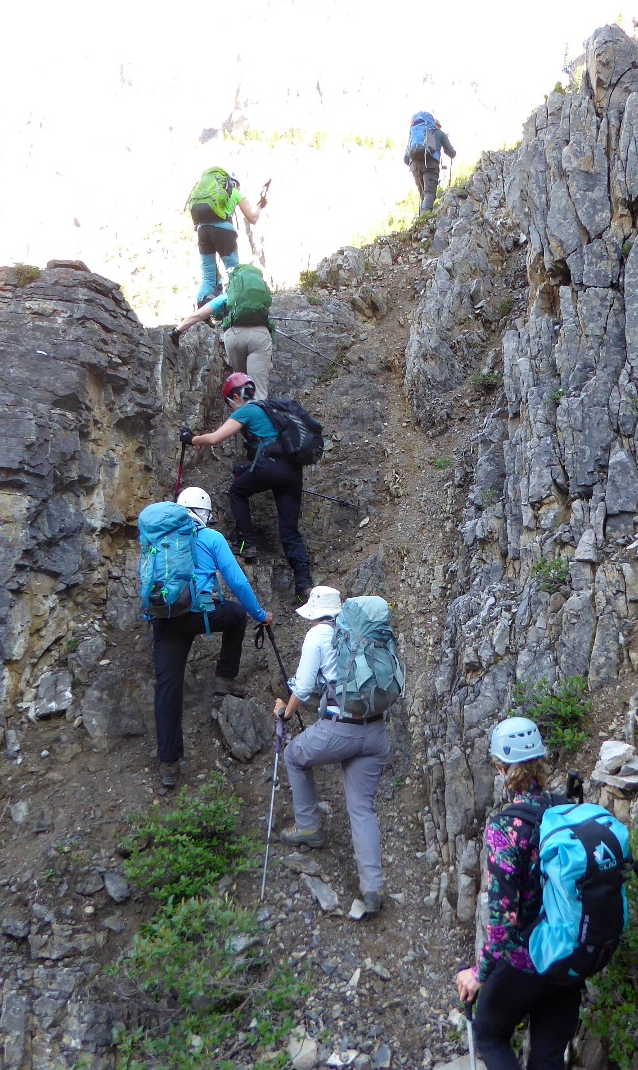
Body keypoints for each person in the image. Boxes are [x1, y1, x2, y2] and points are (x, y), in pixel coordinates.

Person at [455, 717, 583, 1070]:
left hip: (528, 960)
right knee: (547, 1057)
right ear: (541, 760)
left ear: (500, 768)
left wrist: (478, 974)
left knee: (488, 1034)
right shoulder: (566, 810)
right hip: (570, 956)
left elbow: (502, 923)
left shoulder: (506, 828)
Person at [271, 585, 388, 916]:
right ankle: (373, 889)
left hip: (340, 728)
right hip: (375, 731)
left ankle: (308, 826)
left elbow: (304, 686)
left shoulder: (318, 635)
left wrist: (285, 711)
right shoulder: (362, 634)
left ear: (315, 613)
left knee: (294, 756)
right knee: (362, 808)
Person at [149, 486, 273, 791]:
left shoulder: (160, 538)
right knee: (237, 615)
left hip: (165, 618)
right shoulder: (211, 538)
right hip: (200, 612)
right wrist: (260, 614)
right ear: (204, 513)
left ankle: (169, 764)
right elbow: (237, 582)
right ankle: (225, 677)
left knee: (167, 689)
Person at [184, 373, 312, 599]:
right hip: (292, 470)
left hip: (270, 465)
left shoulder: (247, 410)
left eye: (229, 403)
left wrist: (192, 438)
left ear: (236, 396)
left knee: (237, 492)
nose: (230, 408)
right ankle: (304, 586)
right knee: (290, 531)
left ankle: (246, 543)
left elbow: (214, 439)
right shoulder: (269, 410)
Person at [172, 265, 274, 401]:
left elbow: (198, 315)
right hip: (259, 335)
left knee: (242, 381)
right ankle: (258, 408)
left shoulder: (228, 296)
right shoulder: (260, 296)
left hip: (233, 336)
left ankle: (242, 409)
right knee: (258, 391)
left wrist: (177, 331)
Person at [187, 167, 267, 306]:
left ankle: (201, 311)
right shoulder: (234, 192)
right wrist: (260, 206)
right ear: (235, 183)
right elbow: (252, 218)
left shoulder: (207, 194)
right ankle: (233, 308)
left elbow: (196, 227)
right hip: (224, 232)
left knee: (208, 278)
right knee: (233, 273)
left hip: (203, 231)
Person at [404, 112, 456, 215]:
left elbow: (406, 159)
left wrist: (416, 163)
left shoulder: (416, 136)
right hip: (430, 164)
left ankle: (421, 218)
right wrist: (453, 153)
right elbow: (451, 152)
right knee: (429, 193)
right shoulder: (439, 133)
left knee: (423, 195)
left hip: (414, 166)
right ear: (437, 125)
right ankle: (424, 218)